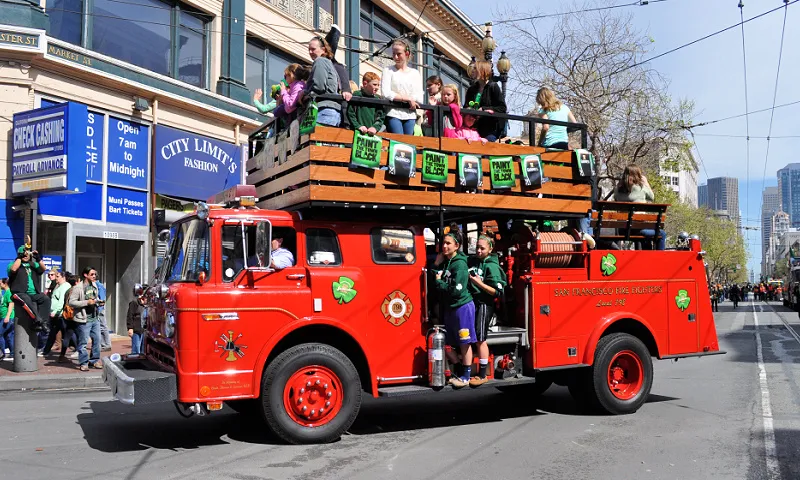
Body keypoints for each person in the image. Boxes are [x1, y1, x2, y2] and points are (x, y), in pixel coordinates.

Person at [433, 225, 475, 388]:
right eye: (443, 243)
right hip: (450, 308)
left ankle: (466, 376)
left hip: (462, 307)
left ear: (456, 246)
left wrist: (439, 282)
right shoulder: (446, 262)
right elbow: (434, 279)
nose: (444, 246)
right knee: (449, 342)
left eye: (448, 243)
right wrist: (436, 265)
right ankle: (458, 369)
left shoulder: (460, 265)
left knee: (465, 342)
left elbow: (456, 290)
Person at [467, 235, 507, 386]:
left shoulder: (492, 267)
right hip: (473, 303)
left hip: (485, 304)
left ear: (490, 249)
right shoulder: (474, 261)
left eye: (482, 248)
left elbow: (497, 292)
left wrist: (479, 283)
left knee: (480, 338)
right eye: (477, 247)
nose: (478, 251)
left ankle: (483, 374)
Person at [614, 165, 665, 250]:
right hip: (639, 230)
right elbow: (652, 197)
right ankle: (659, 259)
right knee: (662, 234)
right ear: (638, 175)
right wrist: (646, 182)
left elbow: (616, 198)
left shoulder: (617, 190)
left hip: (622, 230)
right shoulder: (642, 188)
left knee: (646, 239)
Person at [381, 40, 424, 135]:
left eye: (399, 54)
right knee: (398, 141)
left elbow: (419, 96)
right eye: (393, 53)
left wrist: (401, 98)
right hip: (393, 112)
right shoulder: (388, 70)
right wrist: (407, 98)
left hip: (410, 114)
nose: (396, 57)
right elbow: (386, 93)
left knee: (408, 143)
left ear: (406, 53)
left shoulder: (415, 73)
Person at [301, 36, 343, 127]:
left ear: (323, 49)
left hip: (324, 110)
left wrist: (304, 93)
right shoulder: (328, 63)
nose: (310, 52)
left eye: (313, 49)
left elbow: (319, 86)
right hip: (332, 111)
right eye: (309, 49)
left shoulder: (320, 61)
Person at [7, 244, 49, 333]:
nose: (26, 256)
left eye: (28, 254)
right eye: (24, 254)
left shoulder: (32, 264)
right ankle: (38, 320)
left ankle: (43, 322)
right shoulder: (13, 264)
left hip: (33, 293)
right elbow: (14, 269)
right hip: (19, 293)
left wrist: (38, 258)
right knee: (26, 299)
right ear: (20, 254)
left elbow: (43, 268)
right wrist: (20, 257)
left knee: (45, 299)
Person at [463, 60, 507, 142]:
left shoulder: (493, 86)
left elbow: (502, 108)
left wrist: (484, 109)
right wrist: (468, 109)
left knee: (486, 148)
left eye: (476, 68)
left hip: (489, 129)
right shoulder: (471, 89)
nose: (473, 71)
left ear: (482, 70)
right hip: (473, 127)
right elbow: (465, 106)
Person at [69, 267, 103, 371]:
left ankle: (94, 360)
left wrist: (98, 302)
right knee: (83, 343)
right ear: (85, 275)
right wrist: (86, 303)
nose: (94, 276)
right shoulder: (78, 288)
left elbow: (94, 299)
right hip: (84, 320)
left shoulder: (94, 286)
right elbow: (71, 302)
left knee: (97, 341)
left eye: (95, 274)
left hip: (95, 318)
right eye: (92, 274)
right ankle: (84, 363)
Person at [42, 270, 71, 356]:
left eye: (57, 276)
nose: (56, 278)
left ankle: (77, 348)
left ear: (63, 277)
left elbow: (61, 301)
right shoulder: (58, 286)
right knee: (53, 332)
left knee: (68, 333)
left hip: (60, 314)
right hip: (56, 314)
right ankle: (46, 351)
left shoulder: (65, 286)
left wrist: (55, 312)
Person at [58, 273, 79, 362]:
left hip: (67, 317)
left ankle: (62, 355)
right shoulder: (77, 291)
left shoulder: (68, 291)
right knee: (81, 336)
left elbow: (64, 303)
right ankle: (80, 354)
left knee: (67, 336)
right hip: (76, 316)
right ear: (77, 282)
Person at [0, 278, 14, 361]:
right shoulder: (5, 293)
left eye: (0, 283)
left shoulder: (9, 293)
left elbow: (11, 304)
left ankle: (2, 353)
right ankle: (12, 353)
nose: (0, 284)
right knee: (8, 336)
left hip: (8, 318)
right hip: (4, 317)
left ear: (5, 284)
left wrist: (7, 316)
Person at [96, 279, 111, 351]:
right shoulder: (95, 286)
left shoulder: (99, 286)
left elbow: (102, 300)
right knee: (100, 327)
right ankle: (103, 344)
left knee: (103, 327)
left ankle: (107, 345)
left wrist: (99, 308)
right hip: (97, 309)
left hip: (99, 309)